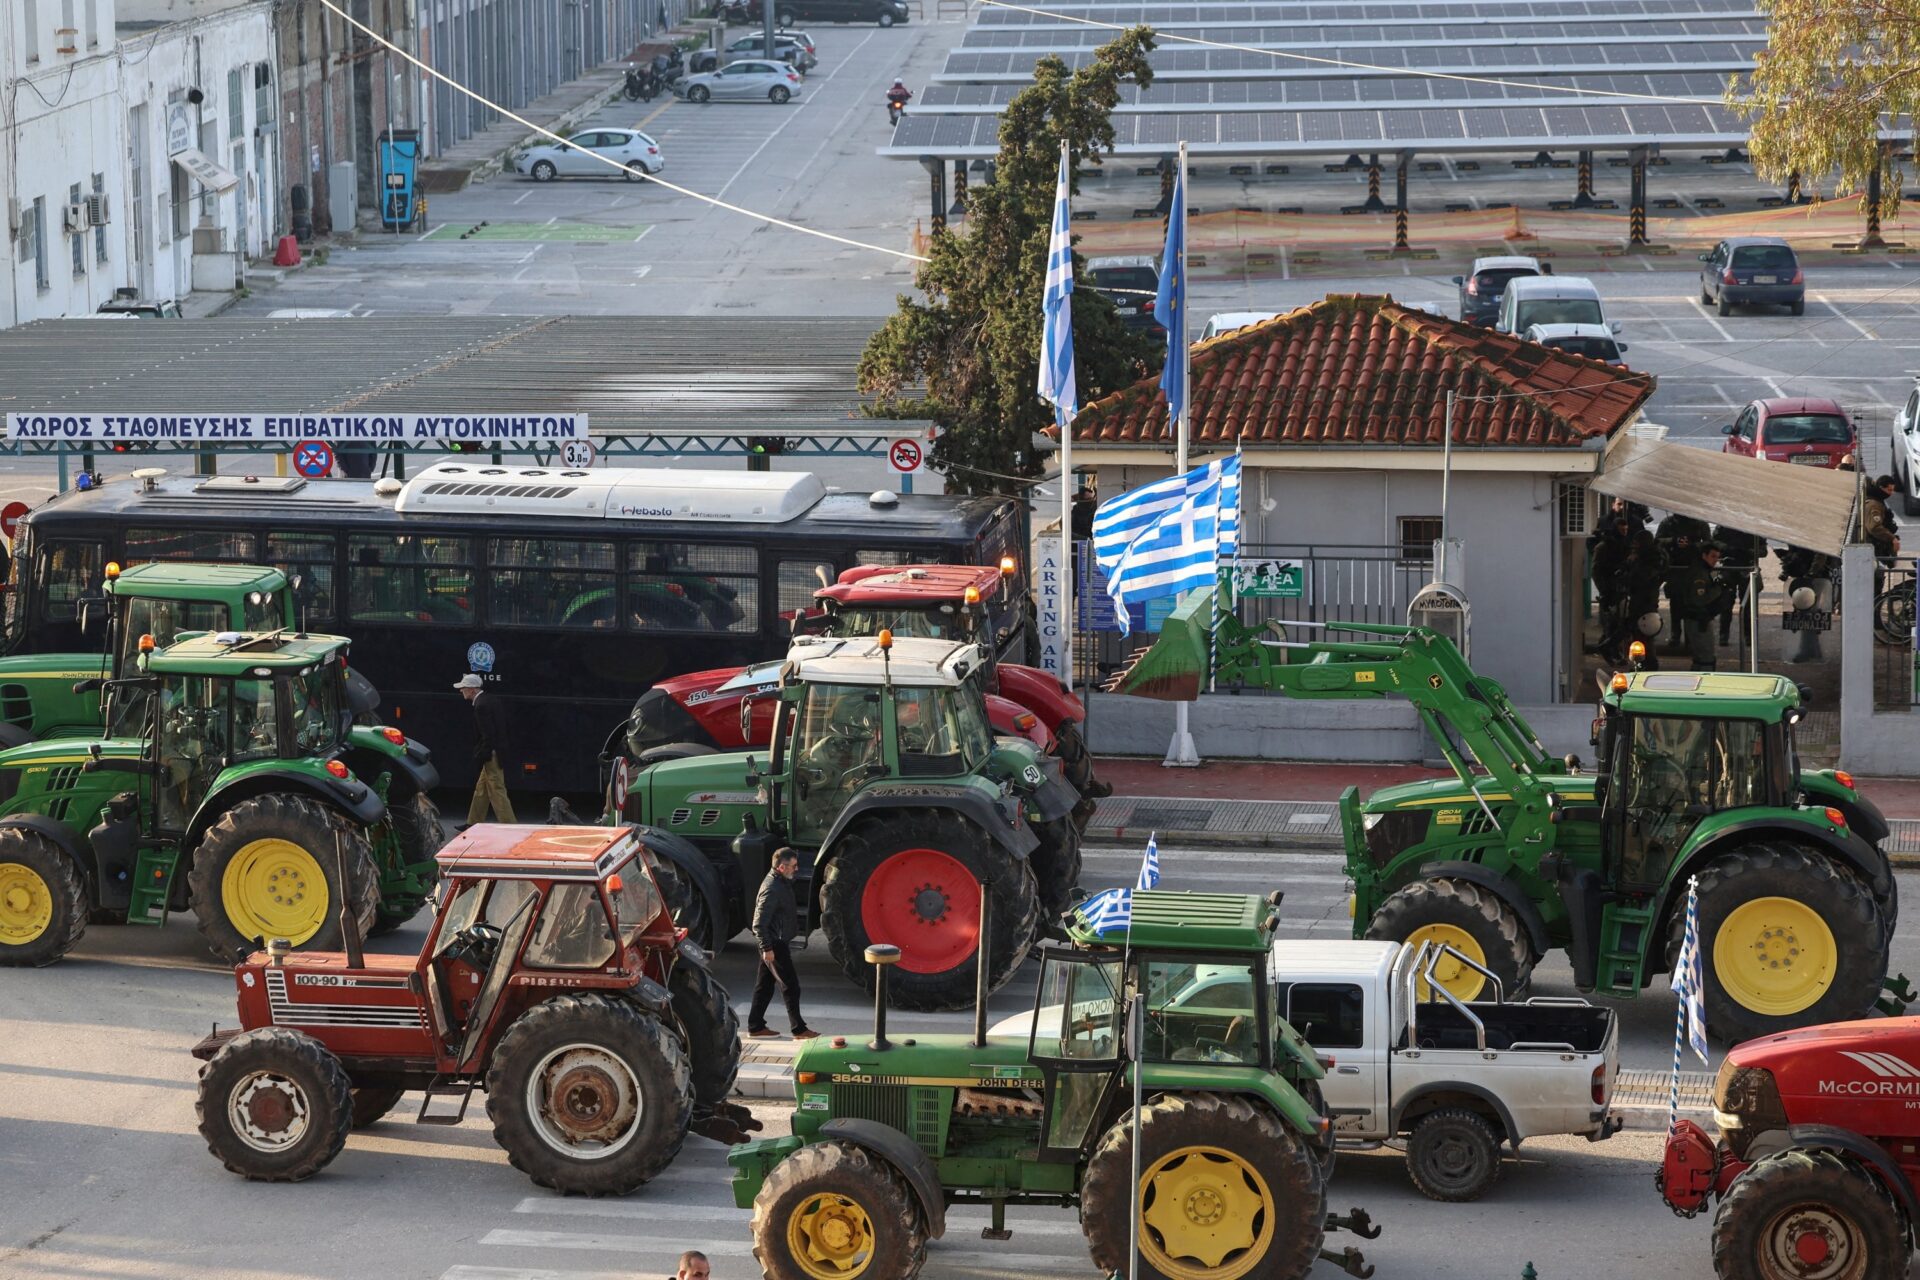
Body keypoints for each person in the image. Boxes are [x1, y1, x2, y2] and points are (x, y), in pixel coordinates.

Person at [748, 848, 815, 1041]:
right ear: (781, 867)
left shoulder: (781, 882)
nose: (797, 869)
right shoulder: (772, 888)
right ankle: (799, 1030)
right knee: (791, 986)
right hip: (775, 944)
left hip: (775, 941)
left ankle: (755, 1026)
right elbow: (758, 924)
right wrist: (767, 948)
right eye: (793, 866)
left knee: (764, 986)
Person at [456, 673, 516, 824]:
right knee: (481, 789)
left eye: (463, 687)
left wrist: (482, 755)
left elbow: (488, 735)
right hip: (497, 750)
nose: (461, 690)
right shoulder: (491, 700)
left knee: (496, 789)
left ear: (472, 689)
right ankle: (473, 822)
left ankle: (510, 825)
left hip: (491, 753)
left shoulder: (481, 706)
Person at [1669, 542, 1732, 671]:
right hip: (1698, 619)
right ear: (1704, 556)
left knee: (1701, 657)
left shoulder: (1706, 571)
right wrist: (1719, 589)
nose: (1715, 560)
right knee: (1705, 657)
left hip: (1700, 618)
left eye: (1717, 557)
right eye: (1712, 556)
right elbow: (1699, 599)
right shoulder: (1699, 573)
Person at [1712, 525, 1769, 647]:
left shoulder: (1753, 526)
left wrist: (1749, 552)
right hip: (1728, 566)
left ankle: (1749, 636)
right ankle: (1723, 635)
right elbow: (1713, 542)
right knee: (1725, 604)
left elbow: (1763, 551)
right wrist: (1727, 548)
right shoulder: (1724, 525)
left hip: (1747, 567)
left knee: (1749, 606)